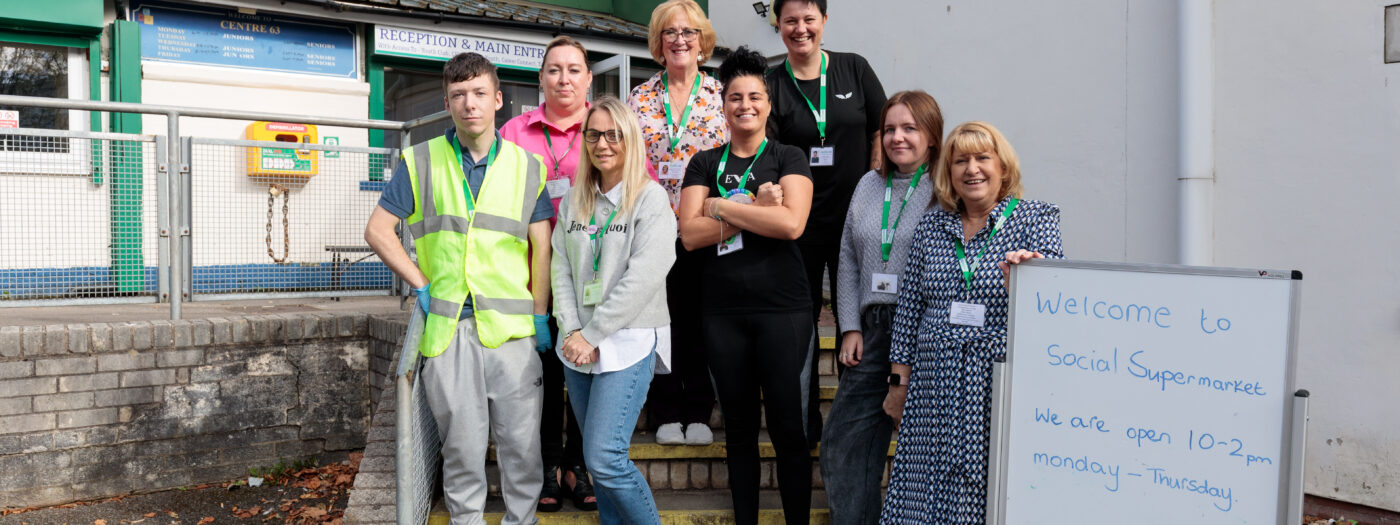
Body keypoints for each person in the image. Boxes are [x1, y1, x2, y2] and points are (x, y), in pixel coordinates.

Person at [363, 52, 553, 525]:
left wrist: (540, 316)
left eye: (480, 94)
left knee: (522, 451)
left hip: (512, 331)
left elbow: (542, 249)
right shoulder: (419, 161)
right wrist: (420, 284)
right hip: (450, 331)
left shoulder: (529, 168)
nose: (470, 104)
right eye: (459, 95)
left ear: (499, 101)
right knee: (463, 453)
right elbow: (378, 231)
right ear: (448, 103)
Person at [879, 121, 1064, 524]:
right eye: (960, 160)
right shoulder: (931, 227)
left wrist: (1031, 279)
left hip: (998, 384)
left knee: (990, 489)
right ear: (949, 173)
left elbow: (1057, 305)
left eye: (983, 158)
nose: (972, 169)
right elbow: (910, 311)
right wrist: (898, 385)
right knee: (921, 492)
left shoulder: (1036, 219)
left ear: (1003, 167)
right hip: (933, 385)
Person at [678, 46, 814, 525]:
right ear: (723, 104)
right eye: (735, 97)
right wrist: (758, 207)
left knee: (787, 429)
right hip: (723, 313)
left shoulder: (789, 156)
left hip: (784, 311)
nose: (745, 106)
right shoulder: (703, 162)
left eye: (754, 96)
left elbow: (793, 224)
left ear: (768, 103)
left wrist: (721, 207)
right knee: (738, 431)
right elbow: (690, 235)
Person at [550, 96, 677, 524]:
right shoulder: (573, 202)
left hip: (627, 341)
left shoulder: (651, 200)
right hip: (579, 347)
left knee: (604, 458)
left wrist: (592, 334)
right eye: (594, 135)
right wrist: (571, 331)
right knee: (596, 466)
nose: (602, 144)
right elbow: (561, 270)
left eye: (613, 134)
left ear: (630, 139)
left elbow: (643, 278)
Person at [765, 0, 887, 443]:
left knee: (858, 315)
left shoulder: (854, 69)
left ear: (824, 22)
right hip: (799, 224)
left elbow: (881, 127)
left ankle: (860, 414)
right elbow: (769, 151)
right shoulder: (772, 82)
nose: (800, 29)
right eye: (790, 21)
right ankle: (806, 421)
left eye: (808, 19)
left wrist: (875, 184)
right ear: (778, 25)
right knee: (804, 320)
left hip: (856, 219)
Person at [822, 90, 944, 525]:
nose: (898, 138)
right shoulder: (868, 184)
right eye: (890, 129)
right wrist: (849, 325)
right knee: (843, 444)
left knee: (925, 451)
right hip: (873, 329)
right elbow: (848, 259)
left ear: (931, 136)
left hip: (926, 330)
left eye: (910, 128)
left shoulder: (945, 189)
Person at [499, 35, 596, 512]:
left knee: (583, 370)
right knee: (542, 375)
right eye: (554, 69)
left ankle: (578, 465)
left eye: (574, 69)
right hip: (530, 275)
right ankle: (547, 469)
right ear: (540, 78)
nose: (564, 78)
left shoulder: (605, 127)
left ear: (588, 78)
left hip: (588, 272)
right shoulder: (515, 131)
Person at [627, 0, 727, 447]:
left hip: (706, 228)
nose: (679, 39)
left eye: (688, 32)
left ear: (703, 41)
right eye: (670, 32)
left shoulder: (722, 95)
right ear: (658, 43)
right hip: (653, 229)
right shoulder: (640, 97)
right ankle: (665, 410)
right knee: (660, 321)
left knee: (702, 321)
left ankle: (699, 409)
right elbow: (628, 162)